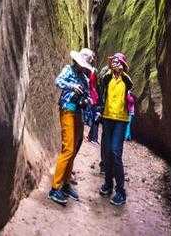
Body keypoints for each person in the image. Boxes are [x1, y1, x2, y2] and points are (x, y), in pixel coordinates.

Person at [48, 47, 94, 206]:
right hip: (67, 108)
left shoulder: (85, 78)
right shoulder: (68, 70)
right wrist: (72, 86)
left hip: (78, 112)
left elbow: (88, 96)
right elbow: (58, 81)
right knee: (67, 148)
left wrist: (87, 100)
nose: (83, 66)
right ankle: (55, 188)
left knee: (74, 147)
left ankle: (66, 183)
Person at [98, 52, 133, 206]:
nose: (115, 64)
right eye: (114, 61)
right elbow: (102, 87)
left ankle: (121, 191)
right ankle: (108, 184)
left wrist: (121, 71)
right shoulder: (107, 78)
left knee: (115, 152)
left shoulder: (126, 80)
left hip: (120, 119)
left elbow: (130, 85)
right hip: (107, 117)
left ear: (123, 65)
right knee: (106, 152)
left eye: (118, 62)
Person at [86, 65, 100, 144]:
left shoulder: (93, 75)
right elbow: (91, 85)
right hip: (93, 98)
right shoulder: (92, 74)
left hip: (94, 98)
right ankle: (92, 137)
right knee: (95, 118)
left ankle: (92, 137)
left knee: (96, 118)